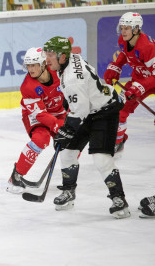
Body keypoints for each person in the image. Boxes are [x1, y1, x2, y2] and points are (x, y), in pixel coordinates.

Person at [44, 36, 130, 219]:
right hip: (90, 108)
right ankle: (68, 193)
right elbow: (79, 106)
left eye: (51, 54)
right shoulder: (69, 59)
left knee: (101, 158)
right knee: (67, 151)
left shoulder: (73, 77)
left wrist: (65, 131)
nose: (47, 59)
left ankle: (119, 199)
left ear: (62, 56)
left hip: (104, 112)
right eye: (47, 54)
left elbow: (79, 112)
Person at [7, 47, 66, 193]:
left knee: (71, 140)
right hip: (35, 116)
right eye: (28, 65)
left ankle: (69, 179)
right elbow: (40, 114)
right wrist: (57, 125)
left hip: (60, 113)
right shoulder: (28, 86)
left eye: (34, 65)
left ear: (43, 64)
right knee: (41, 139)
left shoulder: (58, 71)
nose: (31, 69)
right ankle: (16, 176)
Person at [103, 12, 155, 153]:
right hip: (140, 80)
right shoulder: (123, 40)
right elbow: (125, 55)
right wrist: (116, 67)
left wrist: (140, 87)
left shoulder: (148, 47)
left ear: (136, 29)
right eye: (122, 27)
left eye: (127, 28)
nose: (123, 31)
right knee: (120, 108)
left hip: (151, 81)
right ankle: (118, 141)